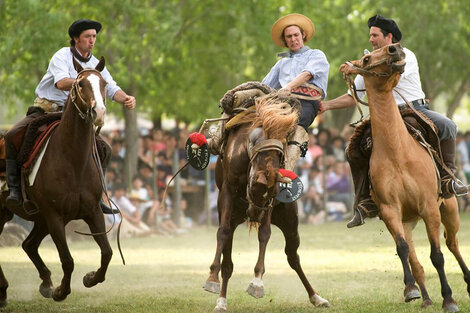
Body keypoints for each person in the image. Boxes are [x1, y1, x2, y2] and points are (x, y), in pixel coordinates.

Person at [320, 15, 468, 228]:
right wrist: (326, 105)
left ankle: (448, 178)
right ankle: (364, 202)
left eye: (375, 35)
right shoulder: (369, 61)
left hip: (413, 110)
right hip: (383, 117)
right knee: (353, 149)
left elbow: (389, 73)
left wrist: (356, 67)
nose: (370, 39)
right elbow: (352, 96)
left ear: (389, 37)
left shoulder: (405, 55)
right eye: (370, 35)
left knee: (448, 126)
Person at [4, 19, 136, 214]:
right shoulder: (61, 56)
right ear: (76, 39)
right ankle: (14, 190)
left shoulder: (94, 63)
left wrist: (126, 98)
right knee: (12, 135)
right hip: (46, 110)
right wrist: (86, 80)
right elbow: (61, 83)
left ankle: (97, 196)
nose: (92, 41)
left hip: (73, 116)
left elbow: (110, 86)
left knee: (105, 149)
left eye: (94, 37)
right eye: (87, 37)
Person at [262, 13, 329, 171]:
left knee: (298, 129)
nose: (293, 39)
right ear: (285, 40)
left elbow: (308, 73)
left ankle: (287, 172)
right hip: (281, 103)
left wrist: (288, 87)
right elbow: (264, 85)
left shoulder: (316, 55)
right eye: (289, 37)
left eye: (295, 35)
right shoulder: (282, 62)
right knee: (258, 126)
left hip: (306, 102)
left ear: (303, 35)